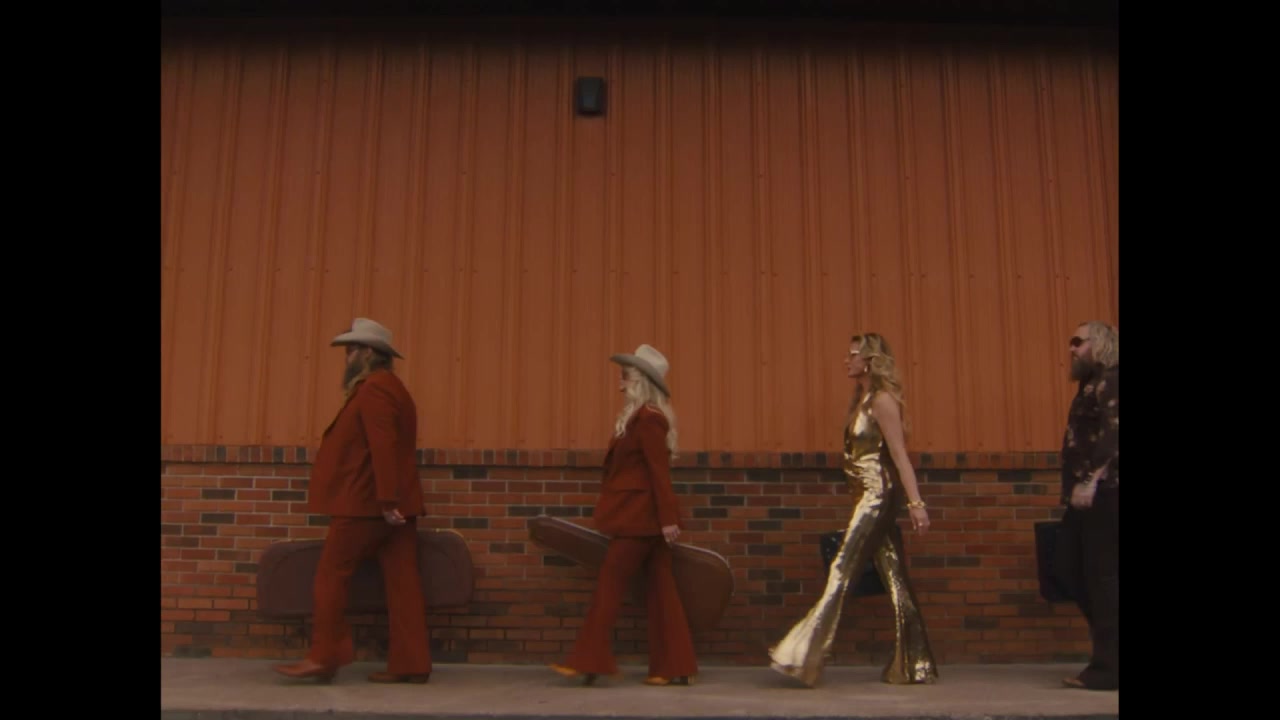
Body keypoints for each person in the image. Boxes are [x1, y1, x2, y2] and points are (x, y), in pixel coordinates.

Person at [769, 333, 938, 688]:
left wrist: (916, 503)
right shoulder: (862, 399)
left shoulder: (882, 400)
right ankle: (916, 663)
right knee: (895, 577)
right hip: (866, 494)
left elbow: (899, 455)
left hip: (877, 496)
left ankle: (801, 656)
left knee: (842, 567)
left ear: (870, 360)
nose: (847, 361)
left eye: (853, 355)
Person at [273, 318, 432, 685]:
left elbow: (383, 446)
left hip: (367, 503)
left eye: (352, 349)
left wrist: (386, 499)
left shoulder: (375, 389)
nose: (347, 356)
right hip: (394, 503)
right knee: (403, 582)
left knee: (331, 575)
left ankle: (325, 656)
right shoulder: (393, 388)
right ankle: (411, 664)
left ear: (369, 353)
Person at [549, 344, 699, 687]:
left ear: (641, 380)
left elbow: (658, 472)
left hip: (640, 519)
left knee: (610, 584)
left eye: (626, 376)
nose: (620, 383)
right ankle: (674, 667)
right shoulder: (638, 418)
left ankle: (588, 659)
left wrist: (667, 519)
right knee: (661, 590)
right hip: (642, 518)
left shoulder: (648, 419)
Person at [1055, 321, 1119, 691]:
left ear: (1100, 343)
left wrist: (1092, 479)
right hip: (1084, 495)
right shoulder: (1091, 384)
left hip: (1104, 493)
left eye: (1078, 342)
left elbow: (1114, 434)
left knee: (1102, 578)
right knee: (1067, 568)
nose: (1072, 349)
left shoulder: (1112, 379)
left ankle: (1108, 670)